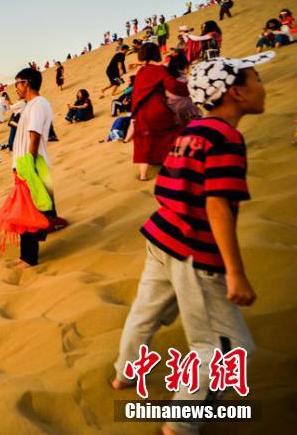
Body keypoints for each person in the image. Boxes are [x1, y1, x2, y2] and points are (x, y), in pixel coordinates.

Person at [111, 52, 274, 435]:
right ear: (235, 92)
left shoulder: (191, 132)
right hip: (192, 250)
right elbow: (216, 203)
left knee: (146, 311)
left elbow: (165, 184)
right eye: (257, 80)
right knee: (228, 347)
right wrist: (234, 272)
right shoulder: (225, 138)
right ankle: (181, 424)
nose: (262, 87)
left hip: (161, 237)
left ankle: (124, 374)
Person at [10, 67, 65, 267]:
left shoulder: (38, 104)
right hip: (25, 164)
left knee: (29, 212)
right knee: (26, 210)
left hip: (31, 164)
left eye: (18, 82)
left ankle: (29, 257)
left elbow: (34, 136)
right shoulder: (31, 105)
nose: (16, 87)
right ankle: (25, 254)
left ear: (28, 83)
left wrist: (28, 165)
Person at [130, 42, 190, 181]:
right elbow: (173, 85)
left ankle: (143, 175)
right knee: (172, 134)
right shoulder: (160, 70)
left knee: (143, 142)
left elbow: (136, 94)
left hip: (141, 112)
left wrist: (134, 114)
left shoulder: (140, 72)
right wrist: (189, 88)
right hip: (158, 107)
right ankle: (175, 167)